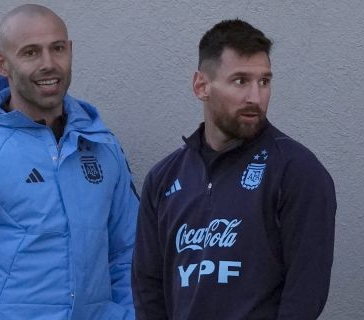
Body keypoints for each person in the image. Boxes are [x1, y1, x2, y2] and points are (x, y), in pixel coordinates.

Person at [0, 4, 139, 320]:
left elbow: (129, 253)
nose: (48, 64)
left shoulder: (102, 146)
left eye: (58, 49)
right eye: (31, 53)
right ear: (2, 64)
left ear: (70, 51)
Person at [132, 19, 336, 319]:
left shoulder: (297, 171)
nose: (256, 96)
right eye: (240, 81)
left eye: (264, 81)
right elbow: (148, 288)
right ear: (201, 86)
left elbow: (306, 293)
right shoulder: (164, 179)